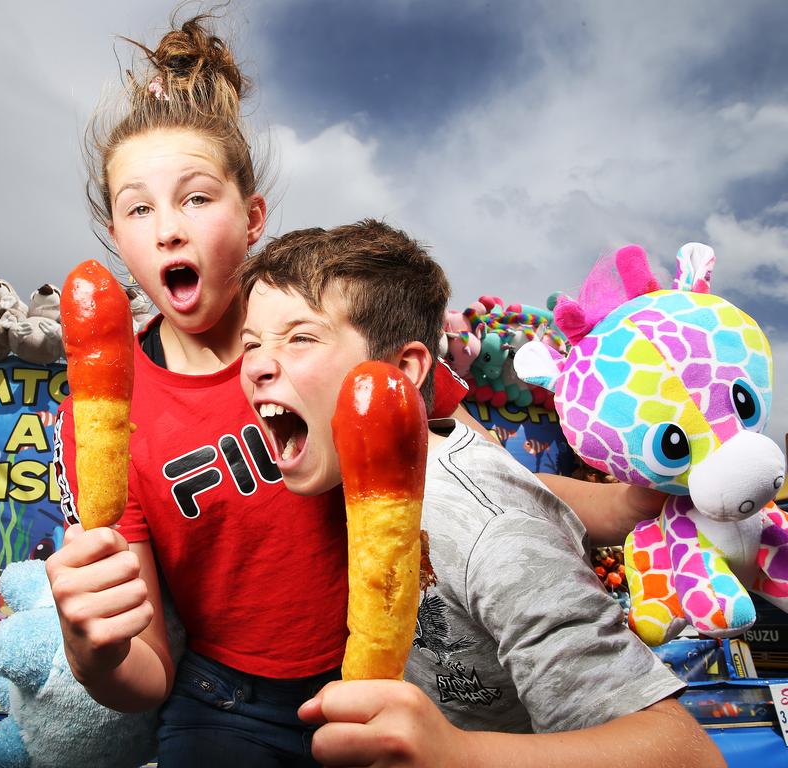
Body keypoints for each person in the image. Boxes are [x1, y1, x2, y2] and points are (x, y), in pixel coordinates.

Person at [48, 11, 672, 768]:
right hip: (226, 702)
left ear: (252, 220)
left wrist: (624, 507)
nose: (168, 230)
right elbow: (144, 672)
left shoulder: (338, 338)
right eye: (138, 207)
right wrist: (94, 652)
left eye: (196, 198)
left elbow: (466, 476)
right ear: (117, 235)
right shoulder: (101, 421)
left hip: (386, 676)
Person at [237, 220, 725, 767]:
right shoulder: (357, 468)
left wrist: (457, 755)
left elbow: (689, 754)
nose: (255, 363)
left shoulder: (490, 533)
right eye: (251, 343)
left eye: (301, 337)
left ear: (403, 371)